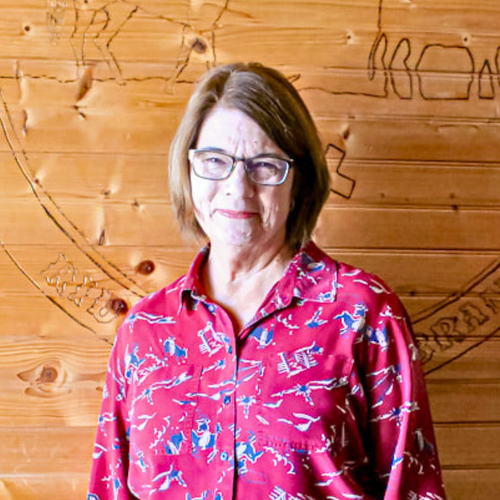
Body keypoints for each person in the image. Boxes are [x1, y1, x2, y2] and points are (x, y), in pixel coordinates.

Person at [87, 62, 446, 500]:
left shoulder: (363, 314)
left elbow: (414, 491)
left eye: (264, 165)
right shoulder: (143, 331)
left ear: (299, 183)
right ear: (188, 170)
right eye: (214, 161)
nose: (238, 188)